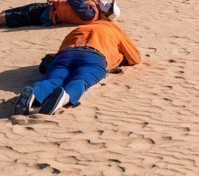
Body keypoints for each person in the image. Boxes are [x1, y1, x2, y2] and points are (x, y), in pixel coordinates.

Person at [13, 19, 141, 115]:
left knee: (53, 80)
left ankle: (34, 93)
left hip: (65, 55)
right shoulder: (115, 31)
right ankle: (64, 97)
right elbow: (135, 58)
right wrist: (118, 58)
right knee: (81, 80)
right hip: (94, 57)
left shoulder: (79, 29)